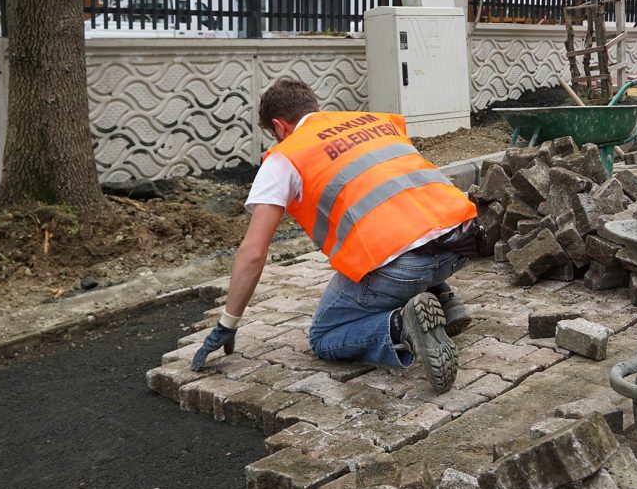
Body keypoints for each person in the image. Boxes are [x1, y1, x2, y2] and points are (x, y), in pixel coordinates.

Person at [191, 78, 483, 393]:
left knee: (324, 337)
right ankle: (446, 300)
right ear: (313, 107)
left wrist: (228, 322)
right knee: (406, 221)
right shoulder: (375, 121)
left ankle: (402, 326)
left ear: (279, 126)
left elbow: (253, 252)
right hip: (462, 240)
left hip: (402, 268)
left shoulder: (286, 156)